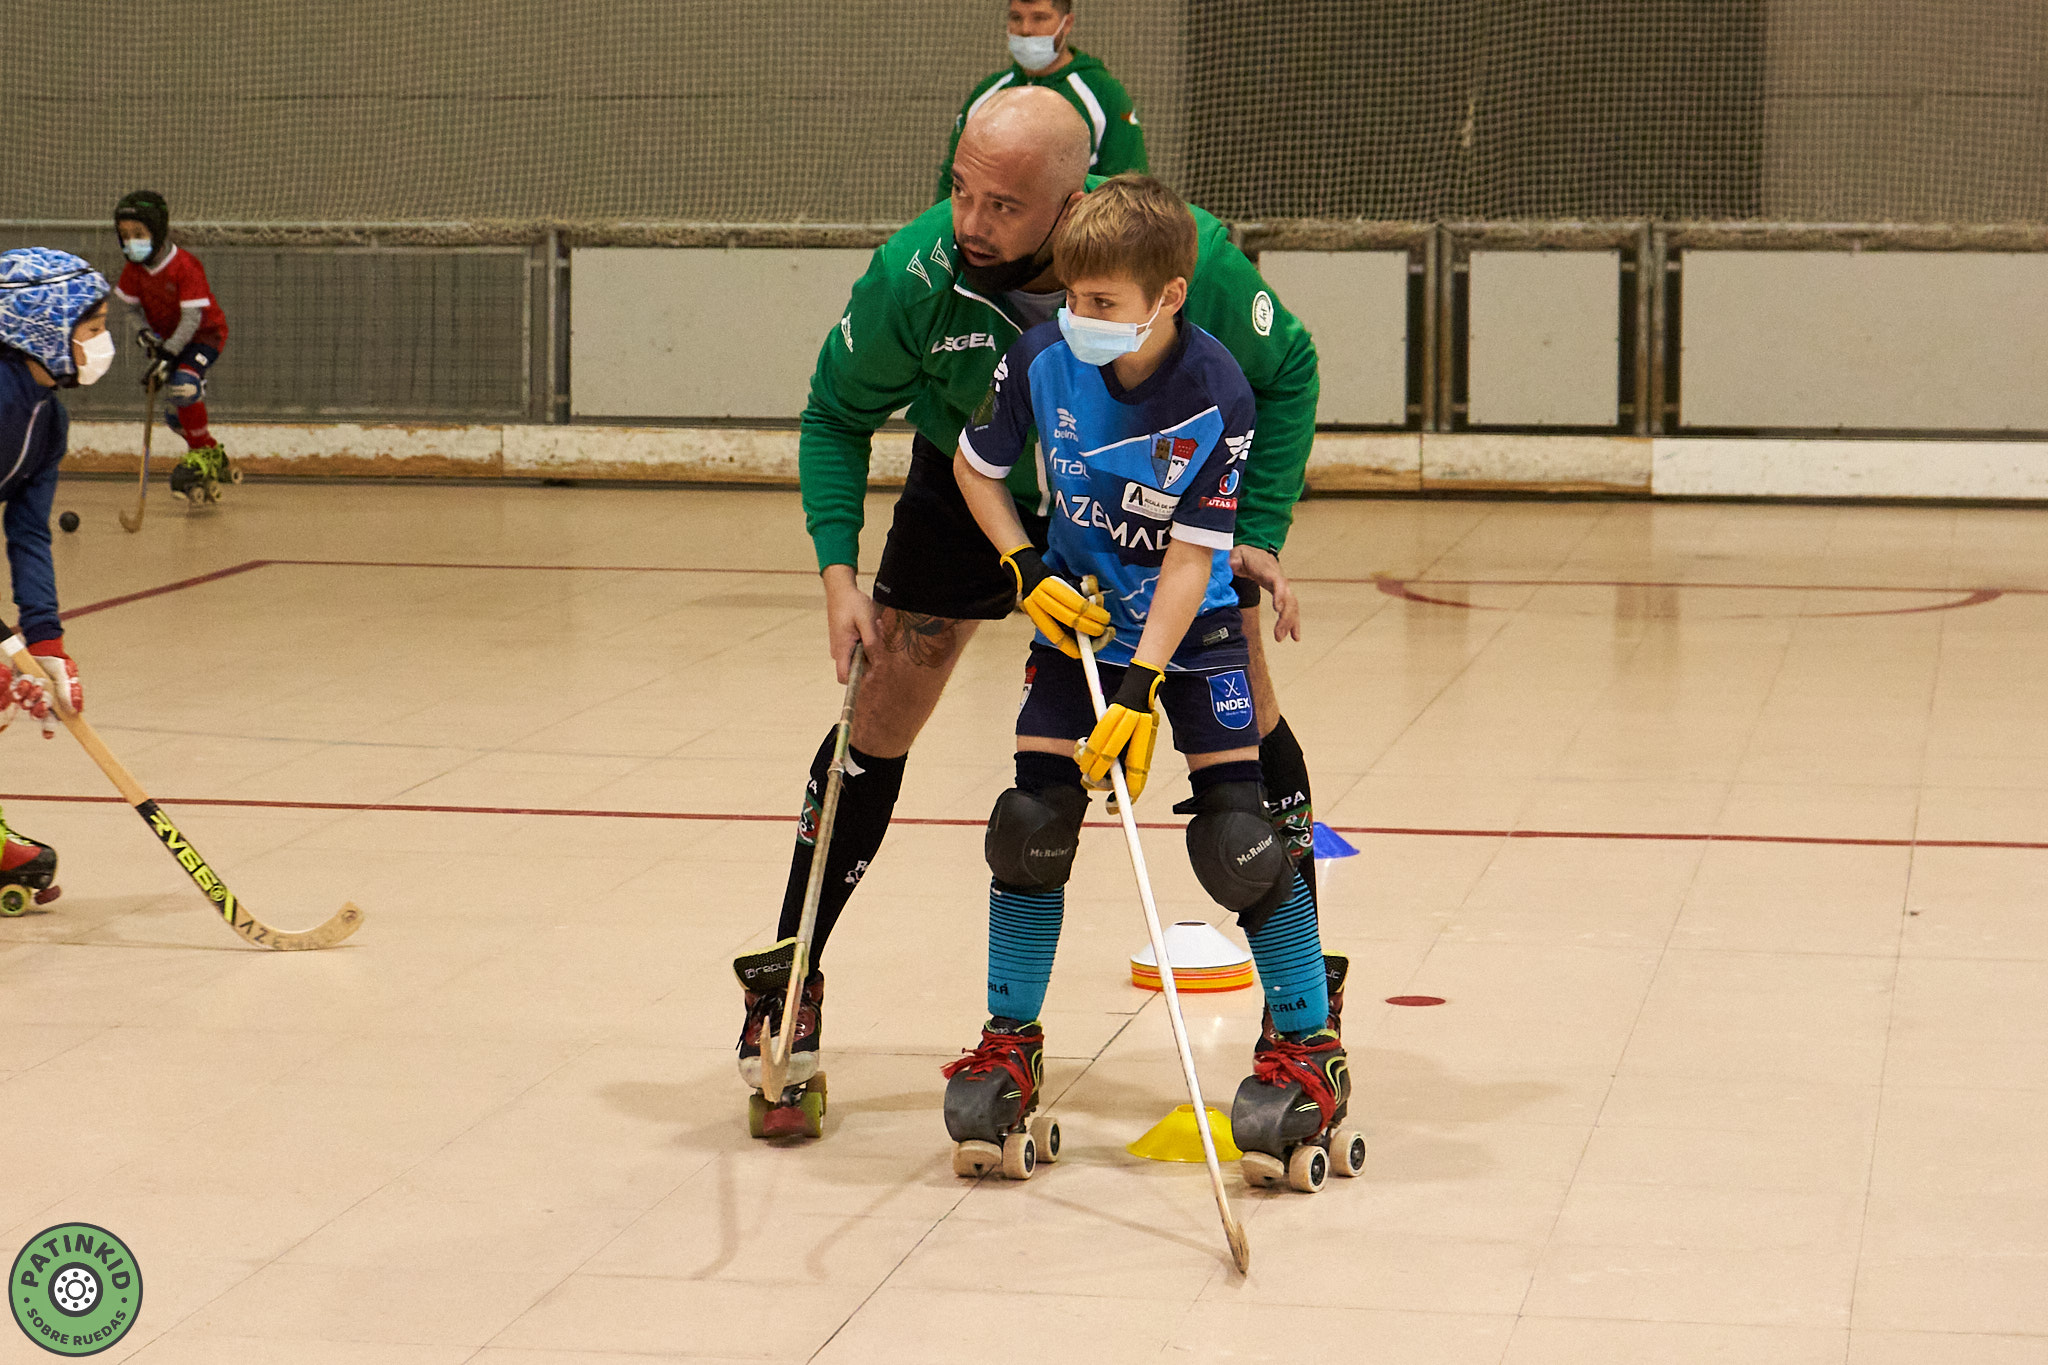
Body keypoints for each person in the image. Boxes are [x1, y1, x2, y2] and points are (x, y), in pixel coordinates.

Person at [733, 88, 1320, 1114]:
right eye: (959, 189)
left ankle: (1302, 1011)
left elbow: (1290, 368)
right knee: (884, 708)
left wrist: (1254, 530)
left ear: (1068, 202)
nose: (970, 223)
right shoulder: (916, 274)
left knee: (1240, 712)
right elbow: (832, 413)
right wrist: (838, 571)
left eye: (1003, 206)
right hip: (982, 473)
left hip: (1149, 490)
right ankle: (794, 972)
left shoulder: (1177, 252)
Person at [937, 176, 1350, 1183]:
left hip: (1189, 625)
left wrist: (1137, 691)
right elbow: (974, 468)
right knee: (1029, 825)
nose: (1079, 319)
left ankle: (1305, 1046)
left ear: (1168, 296)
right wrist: (1023, 569)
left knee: (1237, 842)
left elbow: (1187, 561)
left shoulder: (1215, 391)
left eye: (1104, 304)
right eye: (1072, 298)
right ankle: (1009, 1042)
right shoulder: (1038, 360)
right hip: (1076, 621)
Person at [0, 247, 112, 912]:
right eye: (92, 328)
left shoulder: (49, 415)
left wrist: (45, 643)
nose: (103, 344)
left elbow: (28, 531)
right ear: (44, 327)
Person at [934, 0, 1146, 204]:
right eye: (1016, 17)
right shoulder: (987, 94)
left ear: (1067, 23)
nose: (1026, 29)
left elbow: (1128, 188)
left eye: (1040, 18)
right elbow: (954, 178)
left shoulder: (1104, 94)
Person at [112, 190, 239, 504]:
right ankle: (211, 452)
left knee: (183, 386)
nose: (131, 242)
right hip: (168, 340)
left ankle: (199, 456)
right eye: (125, 236)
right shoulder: (134, 271)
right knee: (174, 415)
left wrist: (169, 355)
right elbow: (129, 309)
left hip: (203, 335)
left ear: (157, 231)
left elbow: (193, 317)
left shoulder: (184, 265)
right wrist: (144, 335)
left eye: (139, 235)